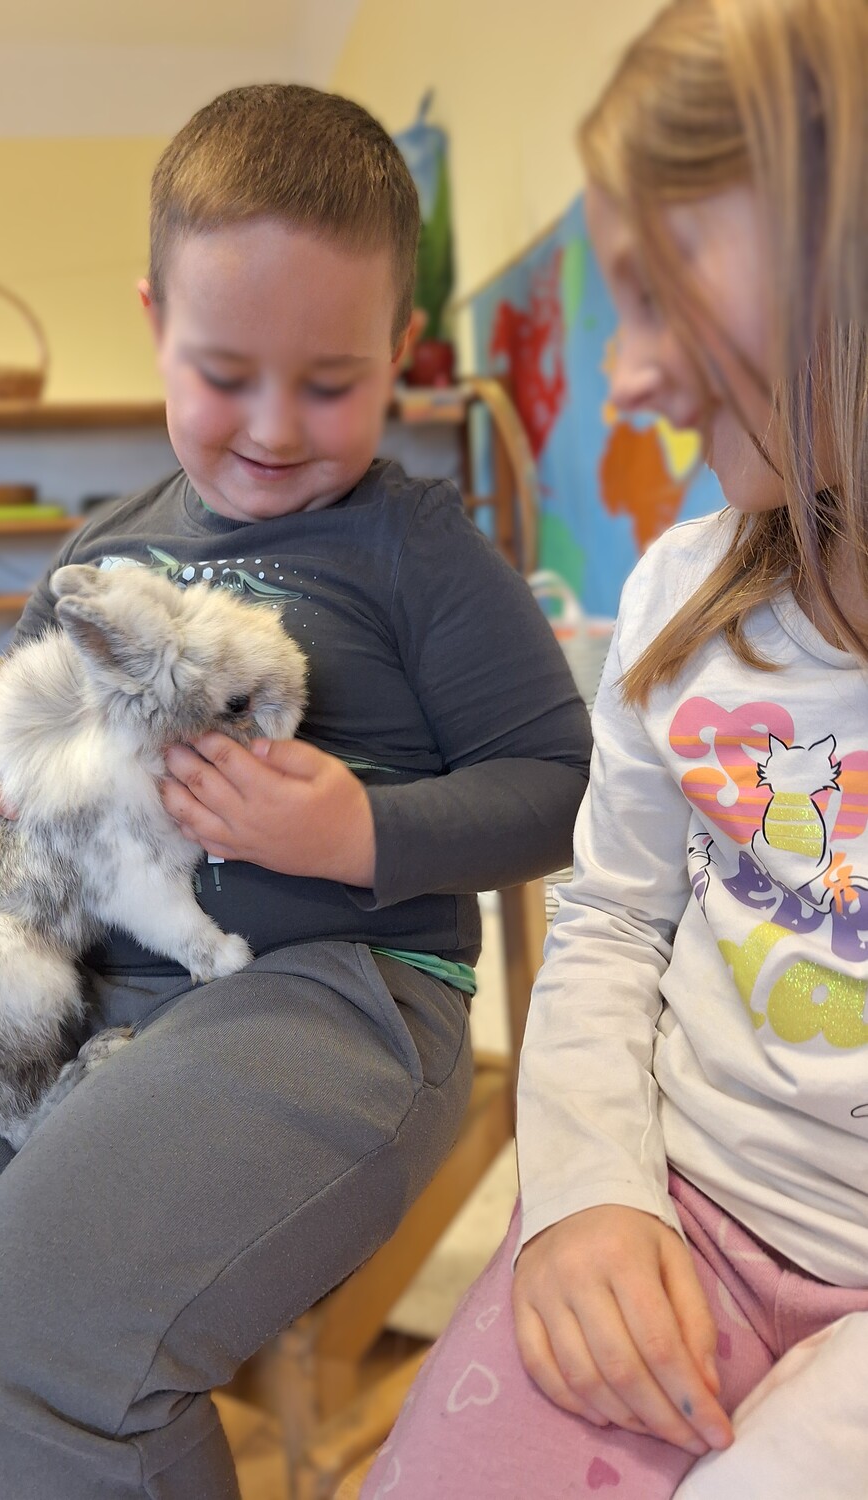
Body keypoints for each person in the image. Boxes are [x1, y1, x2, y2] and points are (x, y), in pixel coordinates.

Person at [0, 85, 591, 1500]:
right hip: (82, 989)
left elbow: (563, 791)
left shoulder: (420, 549)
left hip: (339, 994)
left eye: (331, 383)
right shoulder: (104, 545)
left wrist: (358, 831)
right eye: (224, 372)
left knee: (24, 1345)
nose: (274, 428)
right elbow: (19, 747)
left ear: (398, 348)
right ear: (155, 323)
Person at [362, 1, 868, 1496]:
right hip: (685, 1197)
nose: (626, 377)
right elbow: (609, 918)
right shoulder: (677, 601)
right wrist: (585, 1187)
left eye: (661, 292)